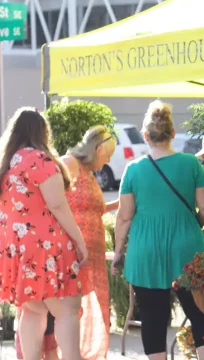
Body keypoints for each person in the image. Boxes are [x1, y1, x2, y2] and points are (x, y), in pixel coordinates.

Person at [110, 101, 204, 360]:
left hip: (146, 249)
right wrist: (190, 226)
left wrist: (118, 252)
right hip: (187, 246)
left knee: (152, 316)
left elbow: (123, 218)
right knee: (200, 313)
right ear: (173, 133)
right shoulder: (191, 164)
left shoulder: (134, 169)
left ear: (145, 136)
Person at [15, 125, 118, 360]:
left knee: (68, 311)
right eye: (107, 154)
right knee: (60, 310)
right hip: (66, 251)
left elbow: (94, 209)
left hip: (86, 253)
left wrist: (121, 202)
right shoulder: (69, 163)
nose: (109, 159)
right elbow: (52, 201)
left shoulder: (91, 173)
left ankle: (69, 354)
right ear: (98, 148)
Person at [0, 108, 88, 360]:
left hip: (17, 249)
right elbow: (57, 205)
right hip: (47, 246)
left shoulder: (7, 163)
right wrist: (79, 241)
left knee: (32, 310)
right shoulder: (40, 160)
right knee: (67, 310)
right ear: (42, 132)